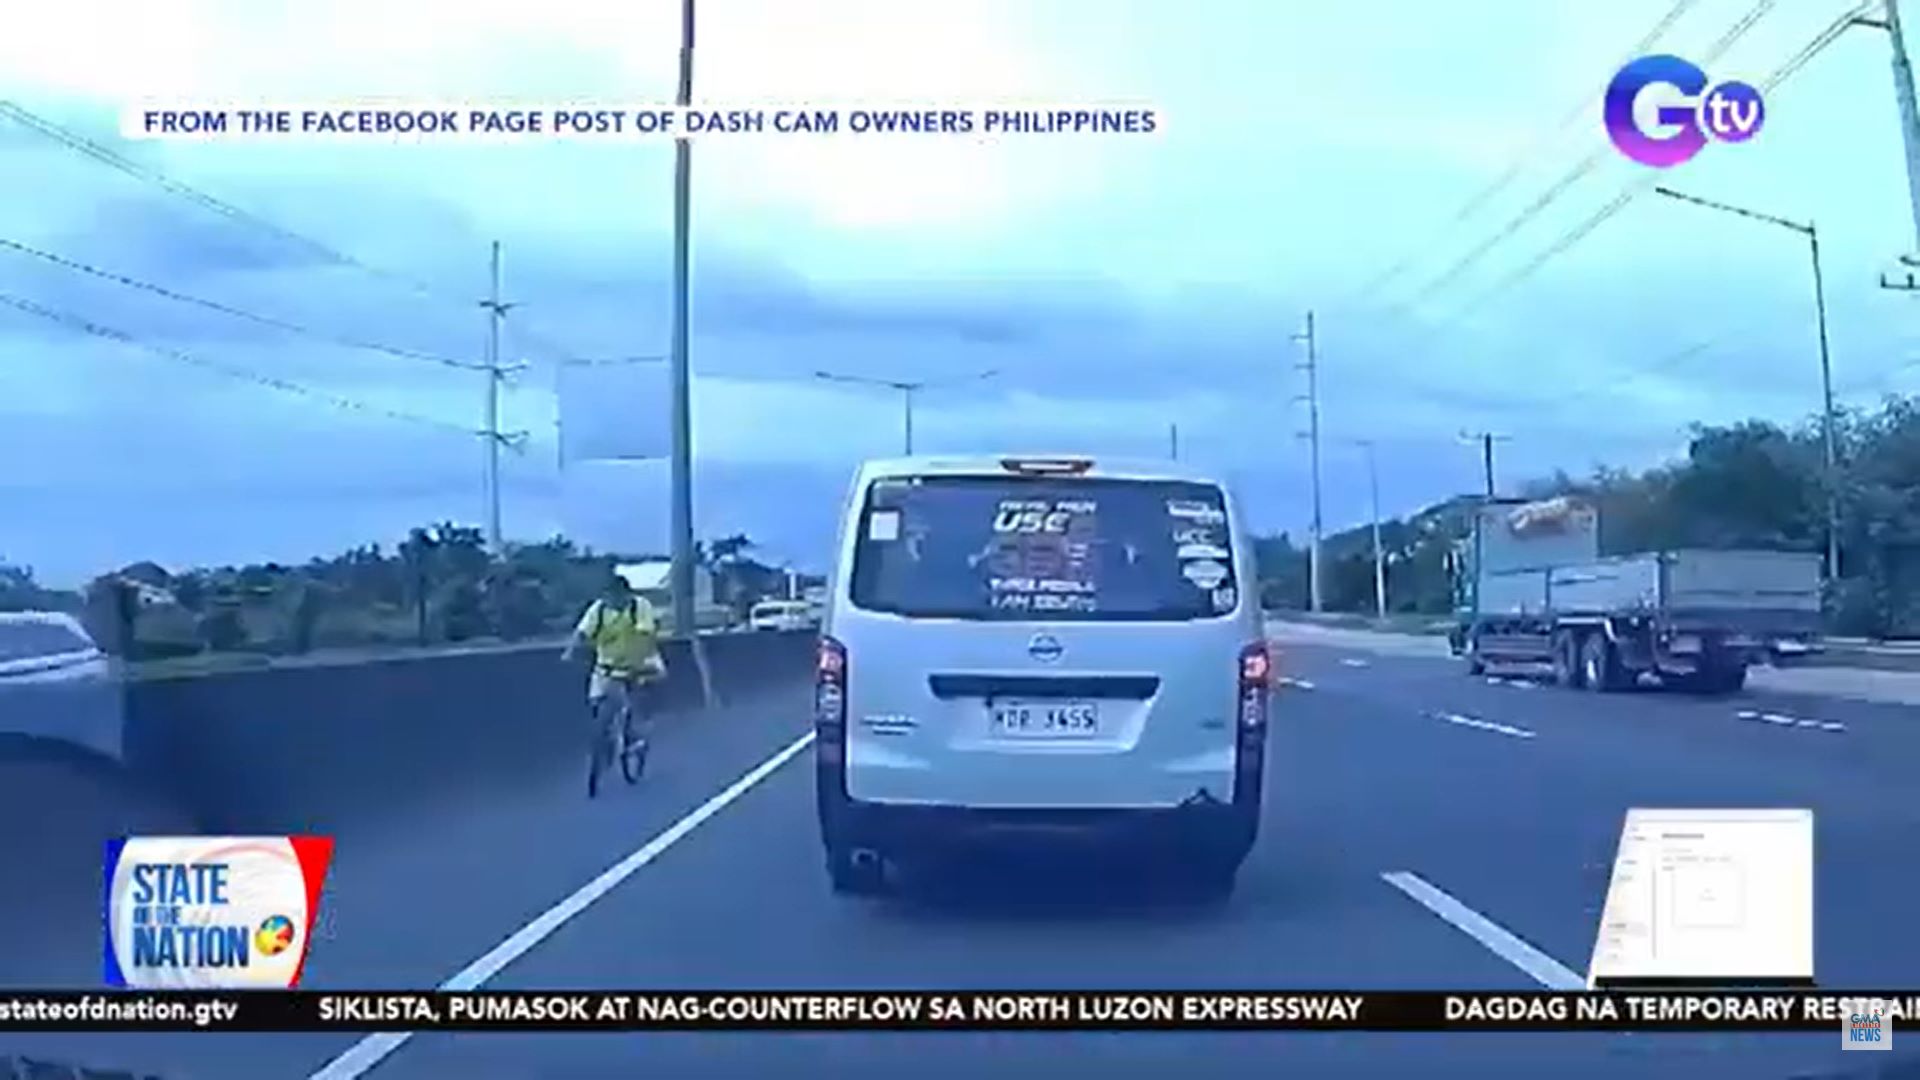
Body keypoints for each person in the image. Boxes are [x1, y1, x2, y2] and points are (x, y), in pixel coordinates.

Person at [563, 571, 667, 776]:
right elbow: (582, 633)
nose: (614, 601)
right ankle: (604, 741)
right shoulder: (599, 610)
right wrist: (570, 651)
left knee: (640, 693)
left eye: (618, 597)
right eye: (610, 597)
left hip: (639, 660)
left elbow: (645, 636)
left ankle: (638, 730)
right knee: (599, 703)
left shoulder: (640, 607)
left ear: (627, 594)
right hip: (607, 666)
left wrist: (639, 664)